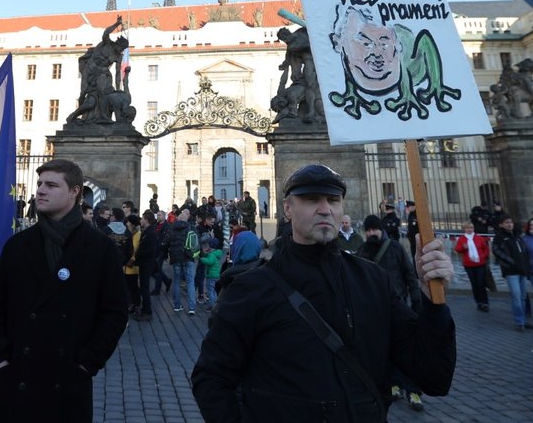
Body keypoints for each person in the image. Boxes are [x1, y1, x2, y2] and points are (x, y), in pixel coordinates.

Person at [190, 164, 456, 422]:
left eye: (333, 200)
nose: (325, 209)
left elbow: (432, 377)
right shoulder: (251, 288)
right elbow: (211, 378)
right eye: (310, 199)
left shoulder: (373, 280)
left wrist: (433, 301)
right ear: (287, 209)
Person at [0, 158, 129, 422]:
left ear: (75, 192)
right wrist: (0, 358)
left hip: (68, 379)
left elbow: (115, 312)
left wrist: (87, 363)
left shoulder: (100, 248)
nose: (40, 191)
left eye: (51, 185)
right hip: (16, 377)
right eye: (39, 184)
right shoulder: (18, 245)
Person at [359, 213, 425, 413]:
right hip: (374, 309)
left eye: (375, 229)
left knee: (406, 348)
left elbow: (410, 275)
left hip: (399, 306)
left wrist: (417, 301)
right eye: (368, 230)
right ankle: (392, 384)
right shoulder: (362, 252)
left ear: (382, 230)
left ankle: (413, 391)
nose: (372, 233)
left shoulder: (395, 248)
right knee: (384, 349)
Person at [491, 213, 533, 330]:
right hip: (511, 271)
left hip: (522, 269)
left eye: (511, 222)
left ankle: (523, 320)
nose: (509, 225)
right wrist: (511, 261)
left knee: (523, 296)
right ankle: (519, 321)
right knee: (516, 295)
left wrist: (527, 264)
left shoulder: (518, 235)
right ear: (501, 225)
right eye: (507, 223)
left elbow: (525, 251)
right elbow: (496, 251)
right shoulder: (499, 237)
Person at [163, 207, 198, 315]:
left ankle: (177, 305)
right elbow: (197, 241)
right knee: (190, 282)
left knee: (177, 281)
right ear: (186, 219)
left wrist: (166, 254)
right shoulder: (191, 227)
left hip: (176, 257)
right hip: (188, 257)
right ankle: (192, 307)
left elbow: (166, 242)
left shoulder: (172, 228)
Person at [454, 221, 491, 312]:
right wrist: (463, 247)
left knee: (480, 283)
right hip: (469, 264)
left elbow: (485, 248)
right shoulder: (462, 239)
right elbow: (457, 250)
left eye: (471, 228)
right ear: (464, 229)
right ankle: (478, 302)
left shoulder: (479, 238)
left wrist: (483, 256)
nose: (469, 229)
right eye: (467, 228)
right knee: (474, 284)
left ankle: (485, 302)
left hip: (480, 263)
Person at [198, 235, 224, 309]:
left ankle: (212, 306)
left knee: (210, 290)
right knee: (214, 290)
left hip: (211, 275)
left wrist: (202, 259)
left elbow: (210, 262)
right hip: (216, 275)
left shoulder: (211, 255)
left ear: (210, 245)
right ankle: (216, 303)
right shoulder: (216, 253)